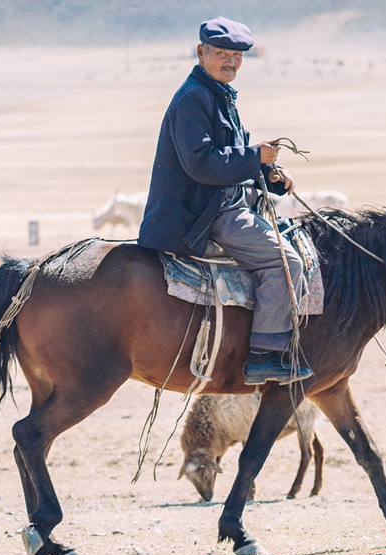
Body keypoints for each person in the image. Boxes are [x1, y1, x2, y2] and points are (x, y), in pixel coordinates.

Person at [138, 16, 312, 386]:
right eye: (221, 53)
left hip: (221, 203)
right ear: (201, 52)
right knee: (286, 263)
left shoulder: (218, 94)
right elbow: (202, 163)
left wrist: (269, 174)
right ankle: (264, 356)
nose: (230, 62)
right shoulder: (194, 98)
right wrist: (255, 156)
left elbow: (231, 154)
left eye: (237, 55)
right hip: (205, 214)